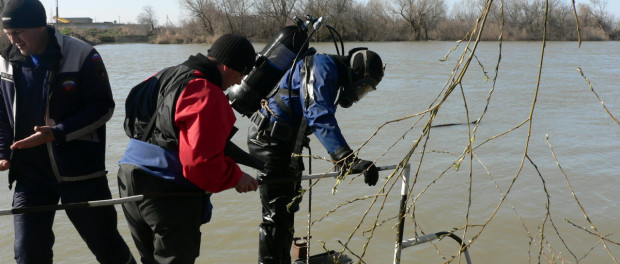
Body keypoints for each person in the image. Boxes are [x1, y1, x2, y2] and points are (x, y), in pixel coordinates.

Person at [0, 0, 136, 263]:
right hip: (30, 175)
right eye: (8, 34)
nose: (13, 40)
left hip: (81, 173)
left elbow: (103, 108)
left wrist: (57, 133)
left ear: (41, 26)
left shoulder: (83, 54)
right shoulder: (5, 60)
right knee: (28, 253)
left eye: (18, 33)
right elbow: (2, 114)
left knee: (107, 248)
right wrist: (4, 150)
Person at [118, 33, 260, 263]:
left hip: (128, 178)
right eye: (241, 73)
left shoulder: (163, 74)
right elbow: (199, 163)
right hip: (166, 189)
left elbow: (131, 122)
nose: (239, 82)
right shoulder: (206, 93)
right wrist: (235, 176)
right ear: (225, 65)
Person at [247, 47, 385, 263]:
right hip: (269, 142)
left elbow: (317, 116)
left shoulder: (330, 75)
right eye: (362, 87)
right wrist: (347, 159)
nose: (359, 94)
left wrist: (341, 160)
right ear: (355, 74)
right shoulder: (322, 66)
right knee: (276, 214)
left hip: (285, 144)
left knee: (288, 208)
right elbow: (318, 115)